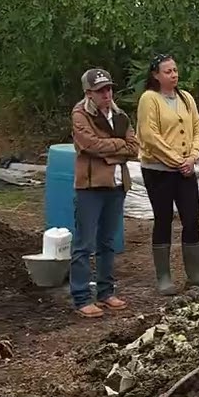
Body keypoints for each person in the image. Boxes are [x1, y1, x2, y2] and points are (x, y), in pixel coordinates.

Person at [136, 54, 199, 295]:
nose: (174, 75)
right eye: (168, 71)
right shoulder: (149, 99)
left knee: (191, 218)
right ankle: (164, 277)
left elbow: (198, 128)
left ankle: (195, 274)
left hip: (185, 169)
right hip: (159, 170)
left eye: (175, 70)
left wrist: (192, 157)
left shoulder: (185, 97)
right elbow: (149, 135)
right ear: (156, 75)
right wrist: (176, 160)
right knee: (163, 219)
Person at [69, 68, 140, 318]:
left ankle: (106, 292)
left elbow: (134, 147)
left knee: (107, 242)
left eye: (109, 88)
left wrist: (111, 151)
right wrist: (117, 148)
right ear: (89, 93)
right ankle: (80, 297)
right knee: (84, 243)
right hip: (90, 186)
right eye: (101, 90)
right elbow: (90, 145)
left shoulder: (119, 114)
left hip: (117, 184)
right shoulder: (80, 114)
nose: (107, 93)